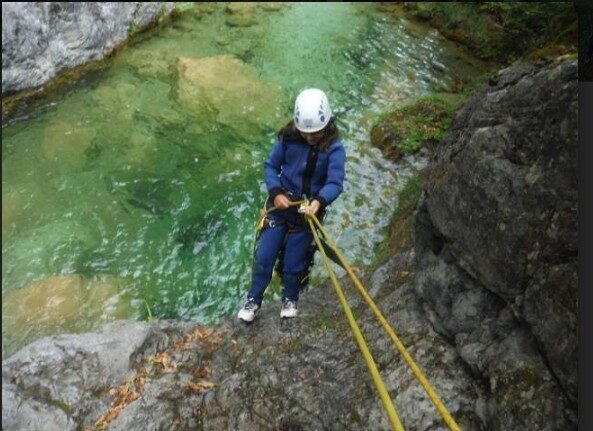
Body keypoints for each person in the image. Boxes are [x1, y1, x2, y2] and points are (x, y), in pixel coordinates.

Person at [238, 88, 346, 322]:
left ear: (326, 125)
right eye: (306, 133)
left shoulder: (334, 149)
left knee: (294, 263)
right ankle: (253, 299)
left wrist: (319, 201)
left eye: (315, 134)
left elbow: (335, 182)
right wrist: (275, 192)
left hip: (306, 213)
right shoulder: (288, 139)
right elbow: (270, 166)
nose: (310, 138)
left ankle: (290, 298)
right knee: (265, 256)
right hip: (280, 208)